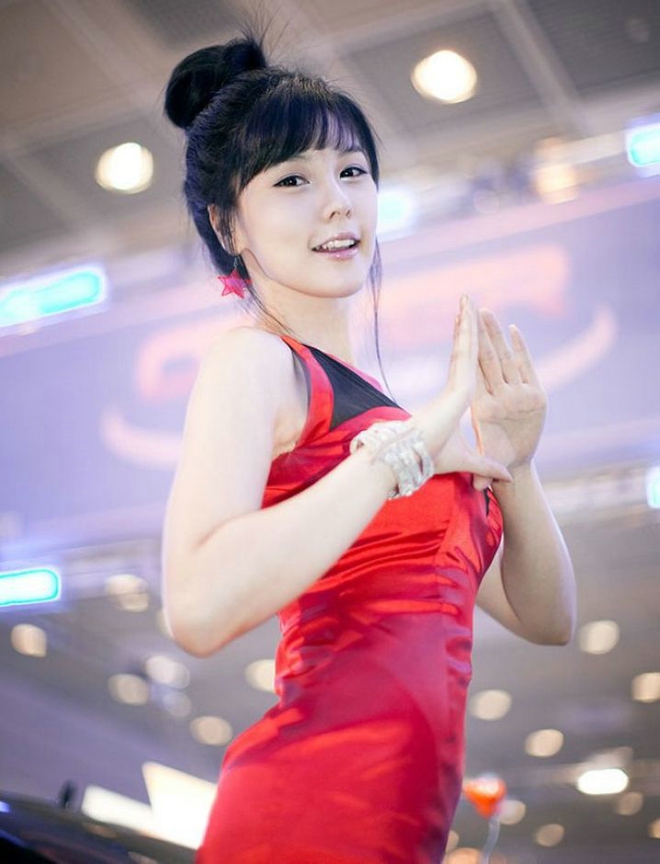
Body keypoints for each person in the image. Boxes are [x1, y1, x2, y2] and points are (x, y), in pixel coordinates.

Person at [161, 34, 576, 864]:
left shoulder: (395, 424)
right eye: (292, 181)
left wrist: (516, 466)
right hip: (309, 815)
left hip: (398, 832)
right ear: (227, 224)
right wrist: (399, 454)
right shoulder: (258, 363)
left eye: (352, 171)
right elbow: (196, 606)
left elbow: (548, 619)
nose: (337, 203)